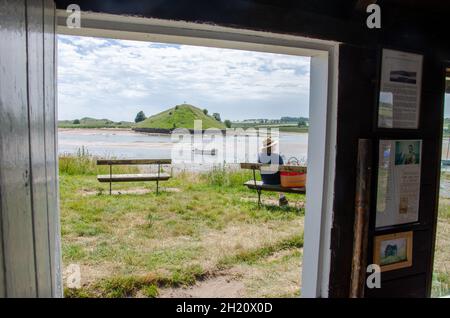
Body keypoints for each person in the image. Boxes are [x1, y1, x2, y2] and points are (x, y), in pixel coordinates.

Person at [258, 137, 288, 206]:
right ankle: (282, 199)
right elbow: (283, 170)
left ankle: (282, 199)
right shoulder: (278, 157)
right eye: (274, 145)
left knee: (274, 176)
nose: (275, 146)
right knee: (279, 178)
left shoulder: (260, 157)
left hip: (265, 181)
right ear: (272, 147)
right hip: (276, 182)